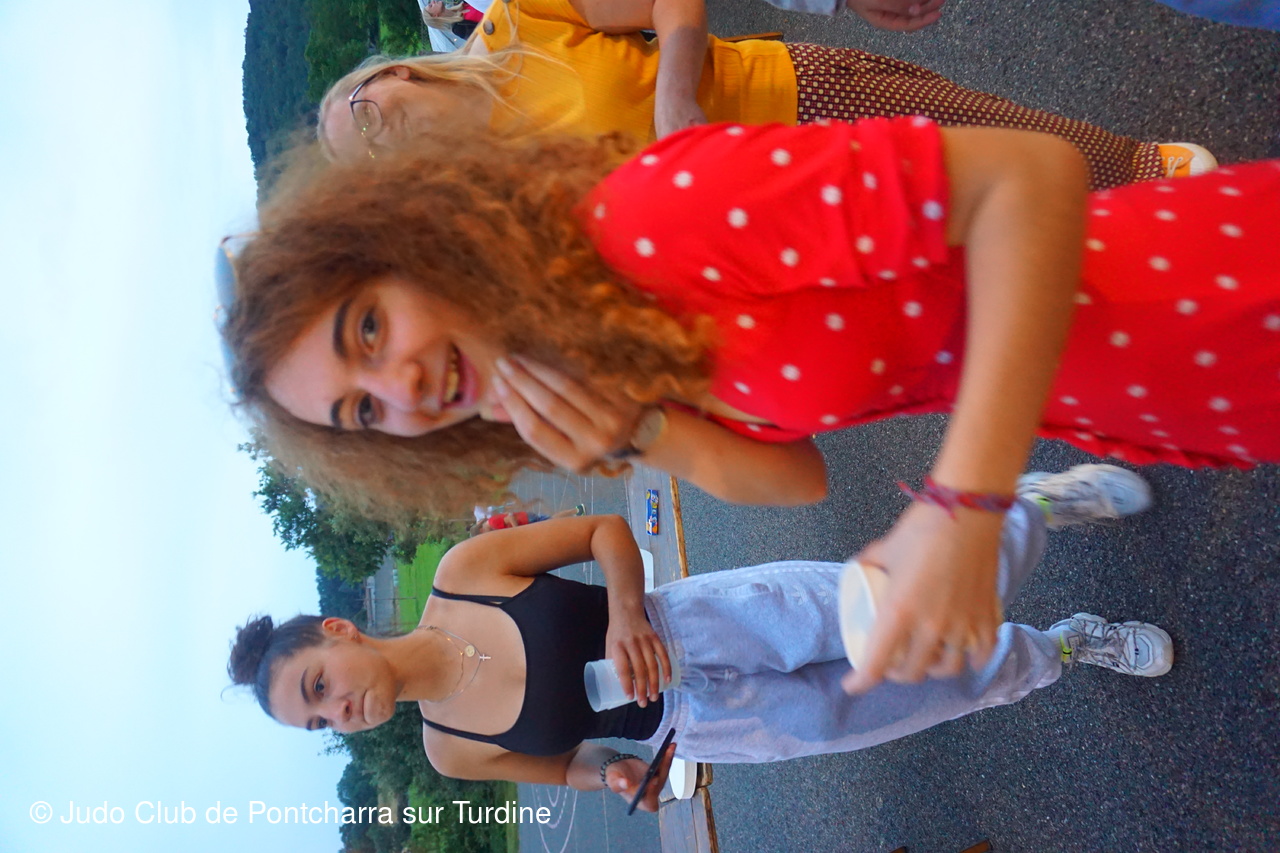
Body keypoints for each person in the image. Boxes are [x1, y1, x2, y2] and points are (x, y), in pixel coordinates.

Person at [221, 116, 1276, 688]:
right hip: (1108, 390)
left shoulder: (647, 220)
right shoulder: (585, 354)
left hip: (1183, 296)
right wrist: (644, 430)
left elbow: (1029, 180)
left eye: (367, 329)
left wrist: (965, 506)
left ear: (404, 245)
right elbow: (796, 475)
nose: (398, 386)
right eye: (361, 412)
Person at [228, 496, 1172, 810]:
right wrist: (615, 777)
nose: (338, 710)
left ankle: (1028, 509)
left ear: (339, 632)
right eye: (319, 720)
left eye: (319, 684)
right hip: (709, 724)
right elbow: (572, 764)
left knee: (902, 609)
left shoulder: (466, 573)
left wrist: (625, 614)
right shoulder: (449, 750)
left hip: (704, 623)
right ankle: (1064, 645)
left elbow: (603, 530)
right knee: (909, 695)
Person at [317, 0, 1211, 184]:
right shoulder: (493, 193)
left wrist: (675, 97)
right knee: (966, 227)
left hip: (793, 100)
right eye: (373, 161)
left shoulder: (522, 22)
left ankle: (1146, 168)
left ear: (392, 74)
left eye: (367, 115)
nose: (385, 137)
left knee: (991, 136)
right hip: (773, 206)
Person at [470, 503, 587, 536]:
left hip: (526, 520)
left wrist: (517, 530)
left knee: (552, 520)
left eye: (483, 534)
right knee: (551, 521)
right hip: (525, 519)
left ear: (481, 530)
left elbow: (509, 517)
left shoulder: (492, 523)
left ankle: (576, 511)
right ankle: (576, 512)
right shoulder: (491, 523)